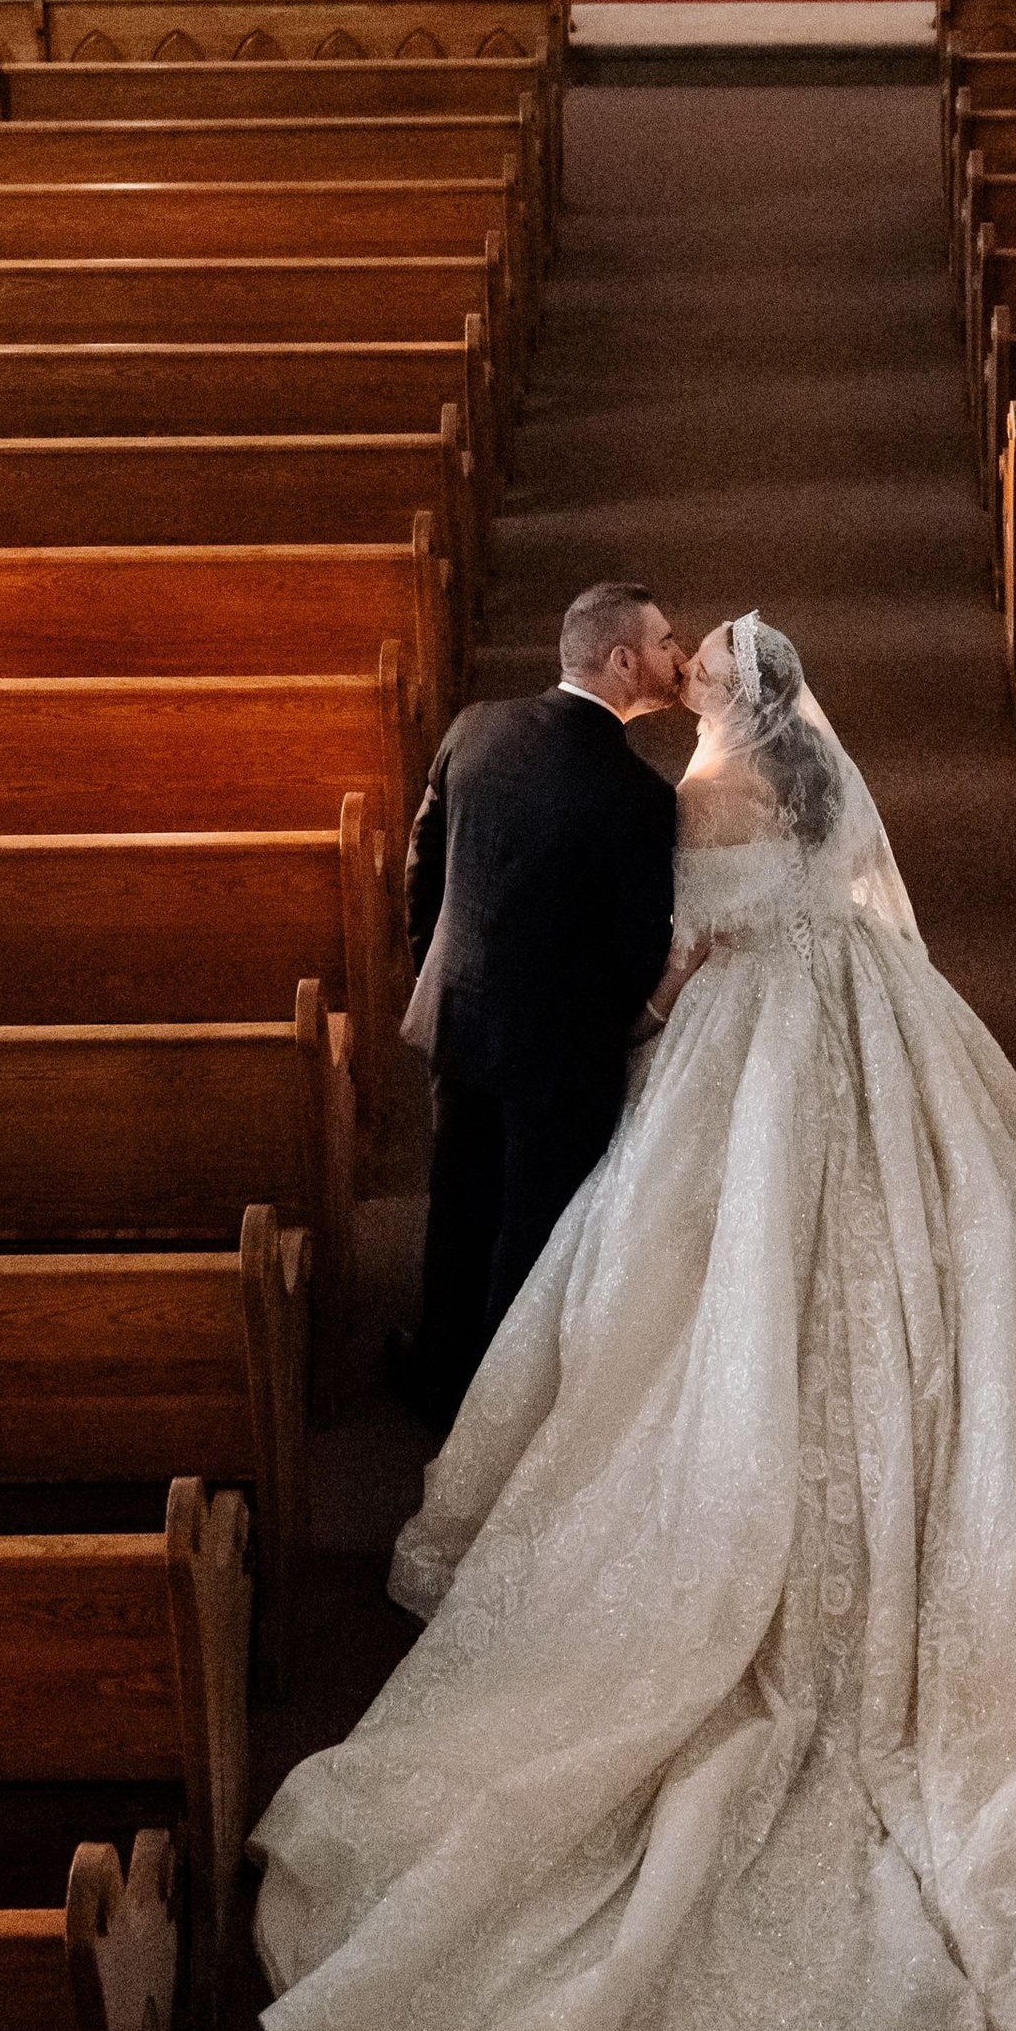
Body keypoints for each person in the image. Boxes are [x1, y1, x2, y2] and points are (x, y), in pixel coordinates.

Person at [253, 612, 1016, 2031]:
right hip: (868, 1030)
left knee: (675, 1329)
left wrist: (667, 991)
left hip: (734, 1066)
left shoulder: (667, 800)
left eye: (702, 661)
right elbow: (850, 901)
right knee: (937, 1329)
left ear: (721, 698)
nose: (685, 664)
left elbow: (672, 953)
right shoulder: (784, 780)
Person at [390, 581, 689, 1434]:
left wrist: (443, 976)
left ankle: (438, 1370)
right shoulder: (639, 798)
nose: (679, 652)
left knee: (456, 1202)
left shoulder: (474, 727)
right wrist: (629, 1023)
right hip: (559, 1050)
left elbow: (423, 870)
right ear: (622, 658)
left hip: (460, 1014)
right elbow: (637, 948)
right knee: (531, 1226)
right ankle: (501, 1419)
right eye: (665, 639)